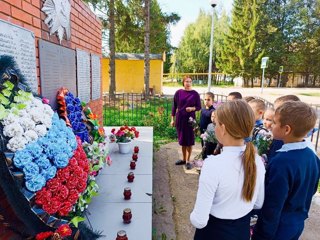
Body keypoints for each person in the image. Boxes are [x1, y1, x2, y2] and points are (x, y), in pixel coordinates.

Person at [190, 100, 266, 240]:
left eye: (216, 124)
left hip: (214, 233)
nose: (215, 127)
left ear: (223, 128)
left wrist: (192, 216)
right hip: (241, 232)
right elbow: (258, 203)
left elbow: (199, 221)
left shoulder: (213, 164)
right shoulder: (257, 161)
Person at [252, 101, 320, 240]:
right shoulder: (312, 155)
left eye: (275, 122)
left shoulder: (281, 162)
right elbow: (312, 188)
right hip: (297, 222)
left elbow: (273, 205)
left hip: (277, 227)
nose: (271, 125)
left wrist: (262, 234)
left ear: (287, 129)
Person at [171, 76, 201, 170]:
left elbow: (199, 107)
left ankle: (188, 161)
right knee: (183, 140)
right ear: (183, 83)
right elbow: (174, 106)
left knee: (189, 141)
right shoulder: (178, 93)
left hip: (191, 120)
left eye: (190, 81)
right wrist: (172, 119)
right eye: (186, 81)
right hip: (180, 119)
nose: (188, 83)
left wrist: (192, 108)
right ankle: (183, 159)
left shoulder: (195, 94)